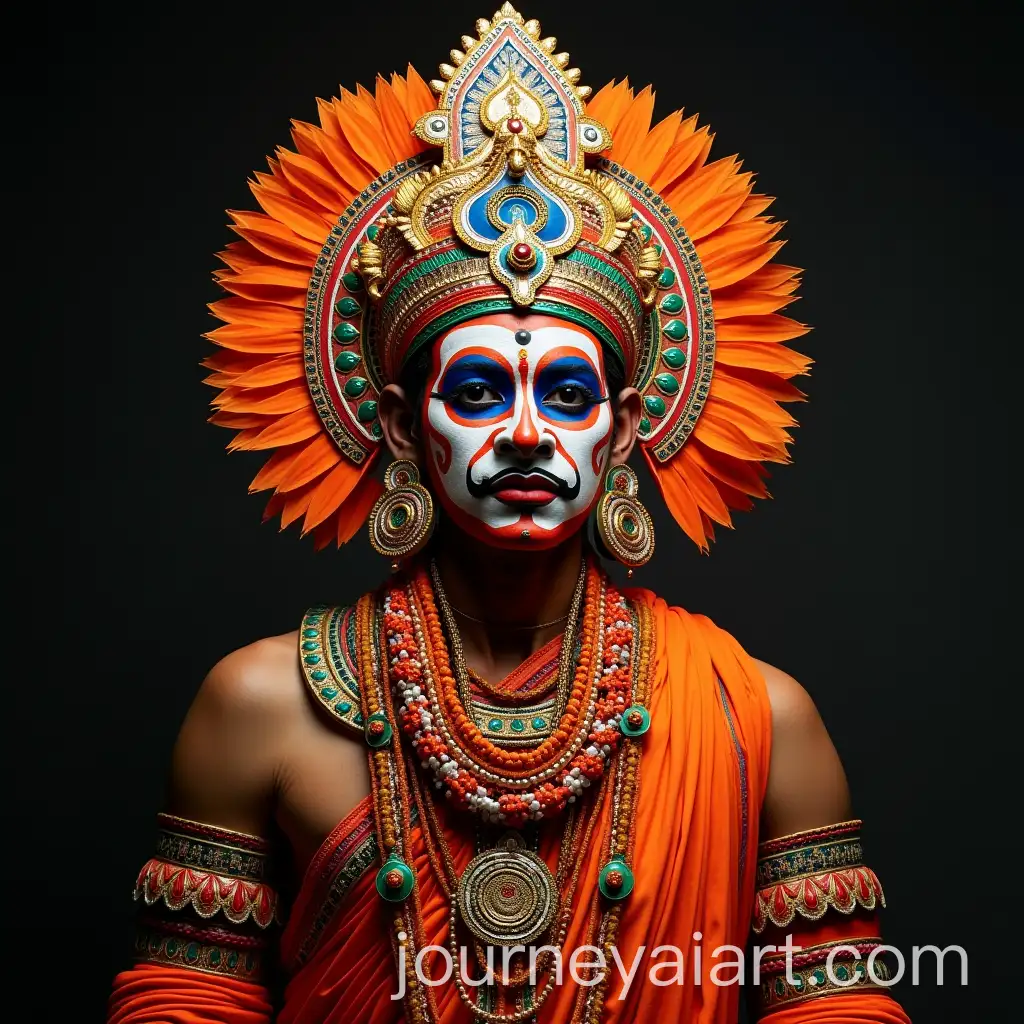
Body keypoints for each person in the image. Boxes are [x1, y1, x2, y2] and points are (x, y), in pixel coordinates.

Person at [108, 6, 910, 1022]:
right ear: (401, 424)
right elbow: (184, 1002)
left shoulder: (754, 718)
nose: (528, 432)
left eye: (567, 397)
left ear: (621, 431)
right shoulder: (261, 707)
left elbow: (836, 1009)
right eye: (480, 391)